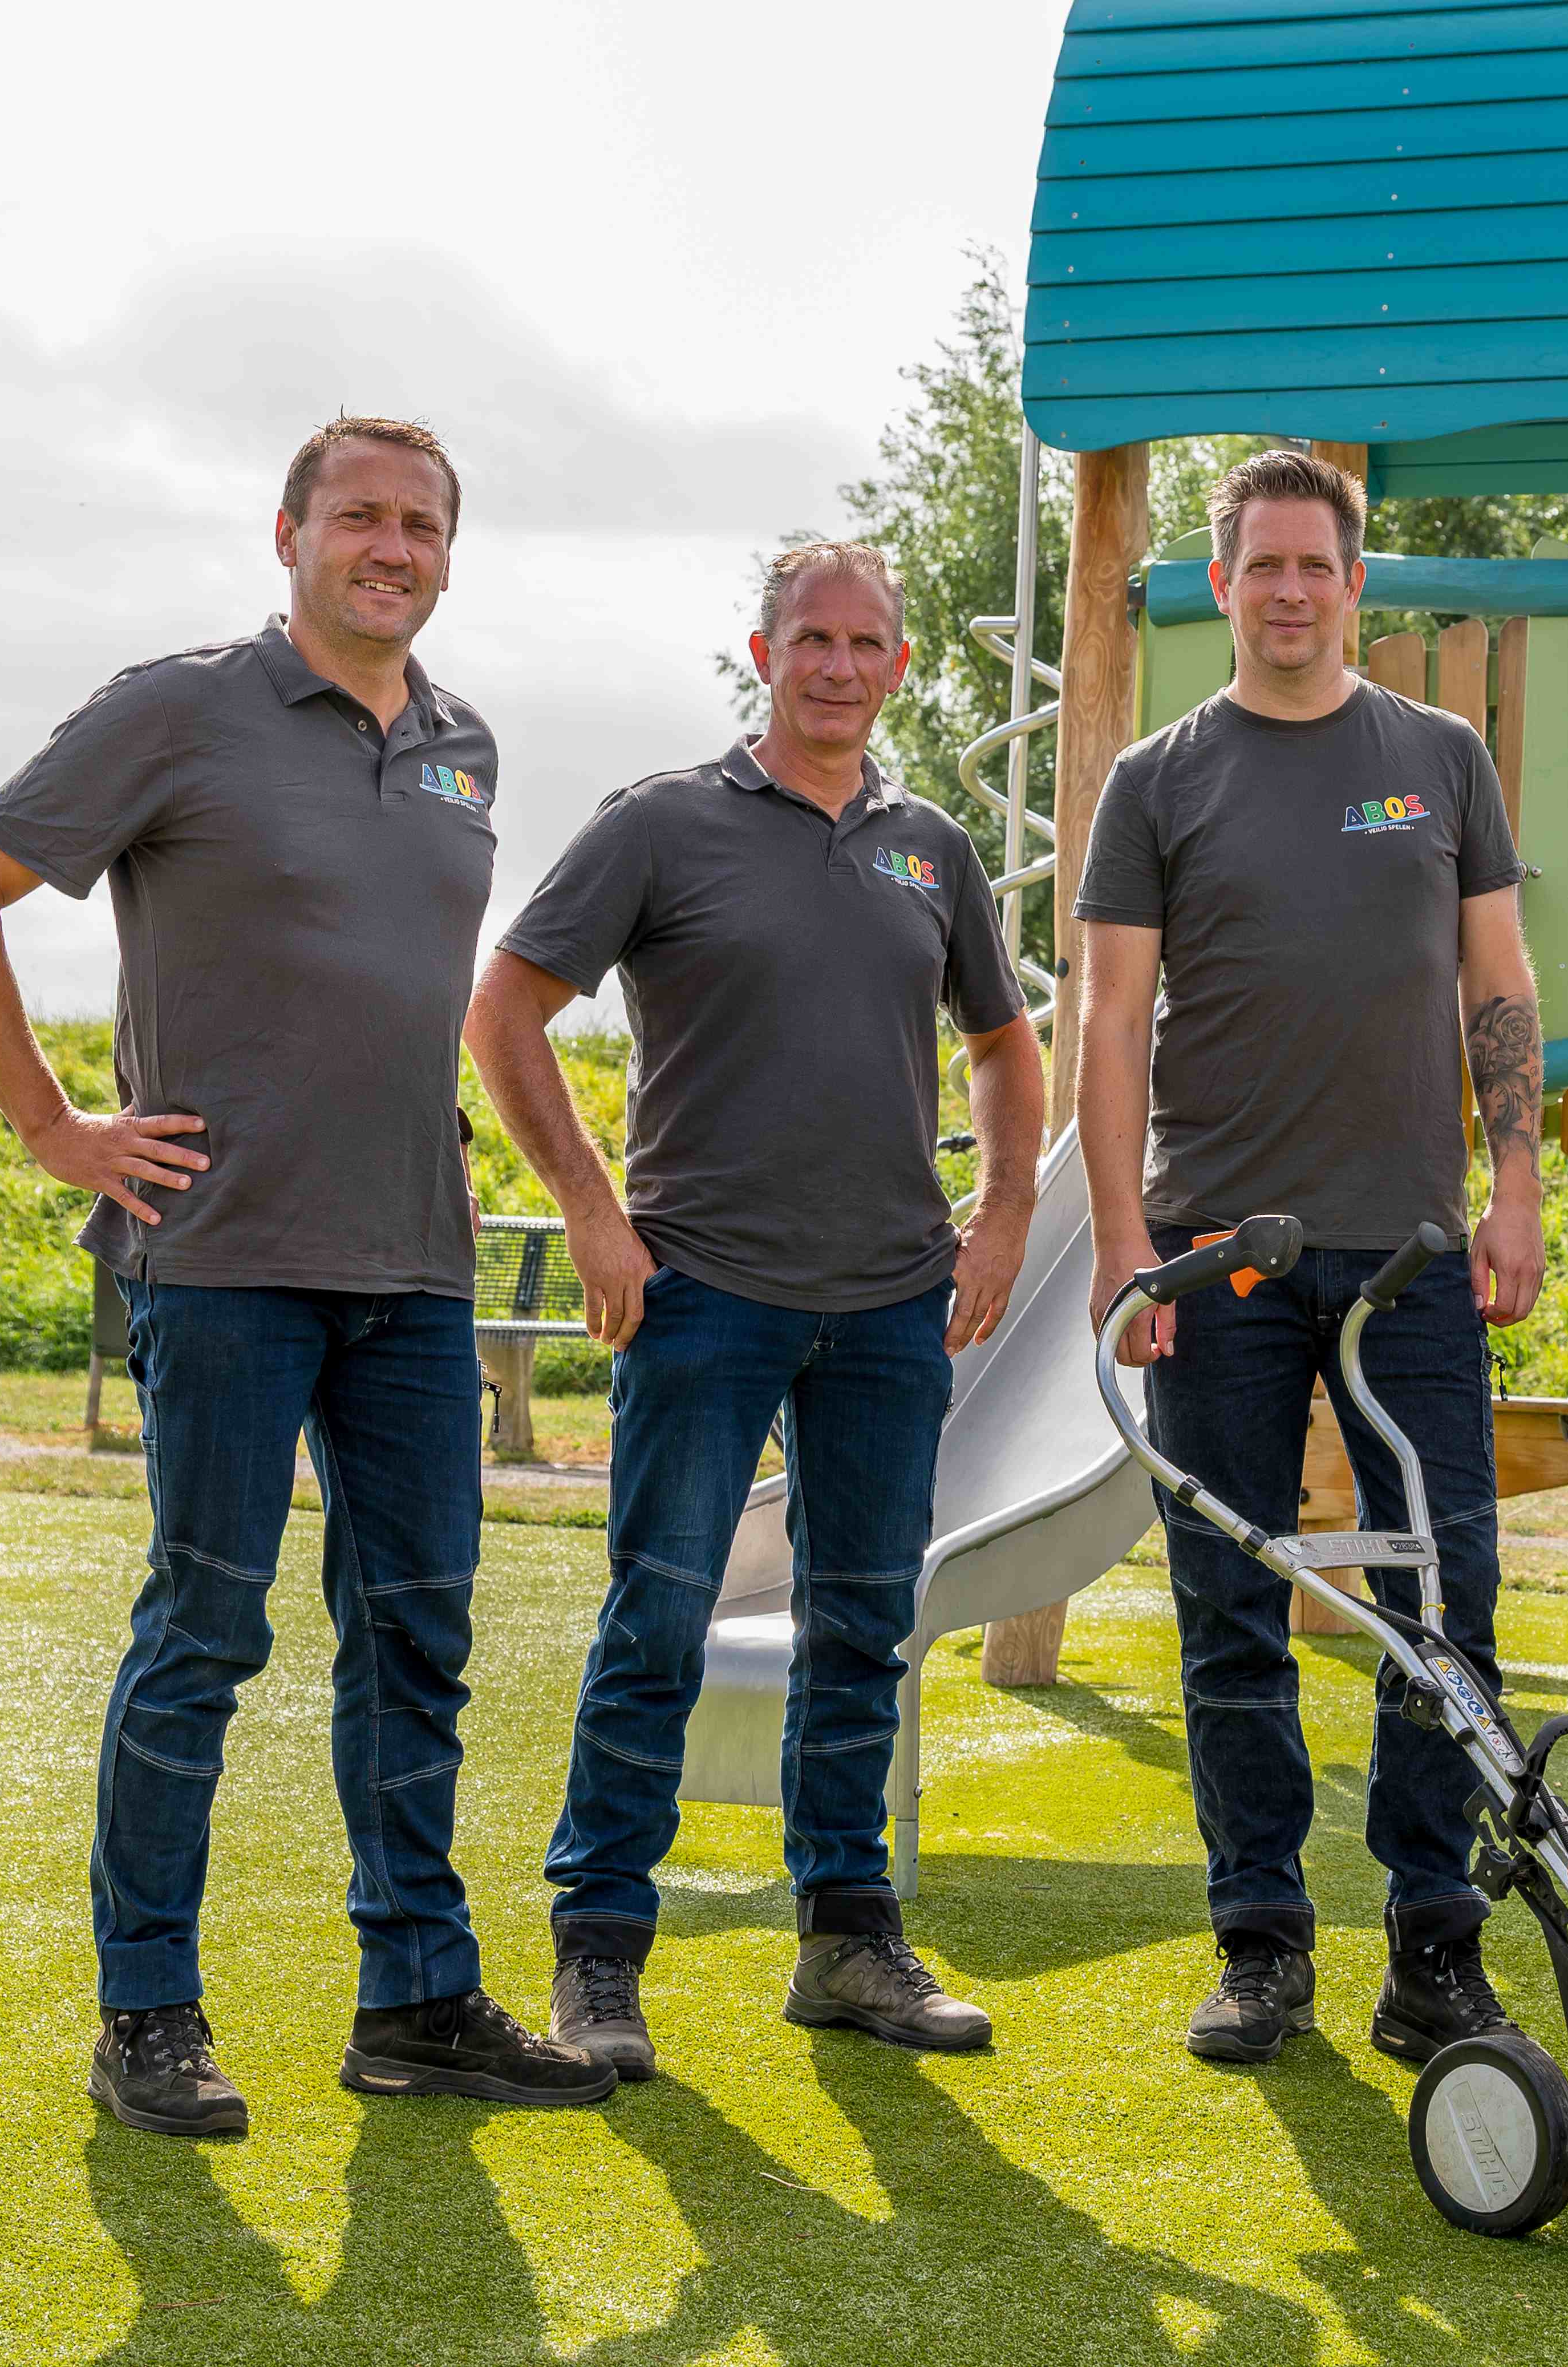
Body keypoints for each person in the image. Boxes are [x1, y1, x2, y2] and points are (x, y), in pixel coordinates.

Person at [0, 416, 615, 2137]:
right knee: (205, 1632)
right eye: (360, 515)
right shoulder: (179, 709)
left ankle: (419, 1997)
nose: (393, 544)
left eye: (423, 523)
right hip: (221, 1258)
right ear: (288, 531)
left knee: (417, 1637)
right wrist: (51, 1120)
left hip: (415, 1270)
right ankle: (146, 2008)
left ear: (451, 552)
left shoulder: (467, 745)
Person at [465, 542, 1042, 2076]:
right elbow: (505, 1004)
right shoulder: (661, 824)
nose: (838, 664)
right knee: (657, 1616)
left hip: (889, 1306)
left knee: (863, 1625)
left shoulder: (931, 848)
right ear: (762, 652)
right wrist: (593, 1211)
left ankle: (847, 1941)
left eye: (866, 641)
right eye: (811, 639)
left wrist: (1004, 1210)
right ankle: (599, 1954)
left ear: (899, 664)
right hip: (701, 1292)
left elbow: (1000, 1039)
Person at [1077, 449, 1546, 2068]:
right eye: (1260, 564)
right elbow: (1112, 1014)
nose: (1289, 590)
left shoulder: (1439, 756)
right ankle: (1260, 1939)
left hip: (1413, 1252)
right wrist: (1124, 1239)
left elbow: (1497, 974)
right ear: (1221, 583)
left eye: (1315, 565)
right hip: (1222, 1253)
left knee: (1448, 1596)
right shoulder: (1159, 775)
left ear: (1357, 582)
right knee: (1230, 1600)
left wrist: (1517, 1181)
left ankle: (1433, 1939)